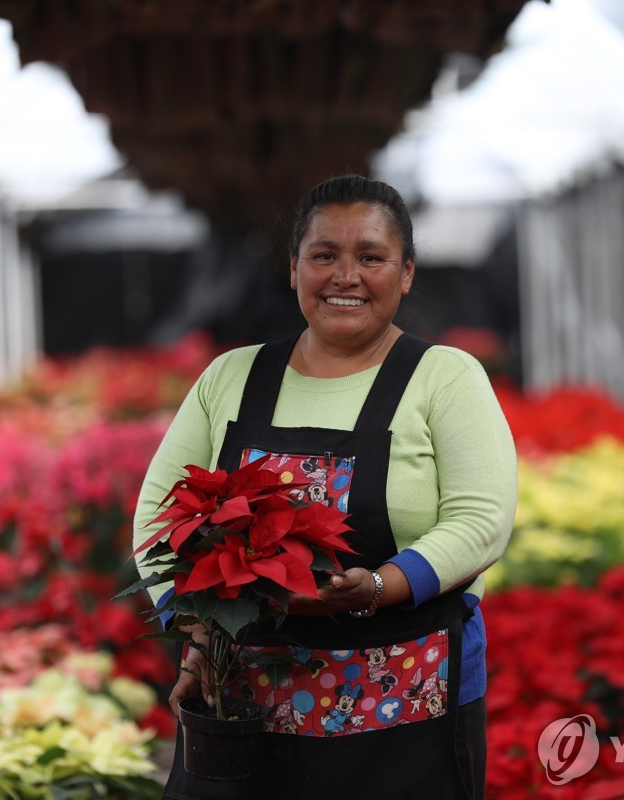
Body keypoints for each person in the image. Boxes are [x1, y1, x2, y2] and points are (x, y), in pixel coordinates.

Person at [132, 174, 517, 800]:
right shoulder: (231, 377)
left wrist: (376, 589)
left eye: (371, 256)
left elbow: (482, 520)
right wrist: (197, 628)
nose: (346, 276)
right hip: (242, 706)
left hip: (405, 707)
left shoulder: (444, 378)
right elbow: (157, 516)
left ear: (408, 272)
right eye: (323, 256)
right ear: (293, 269)